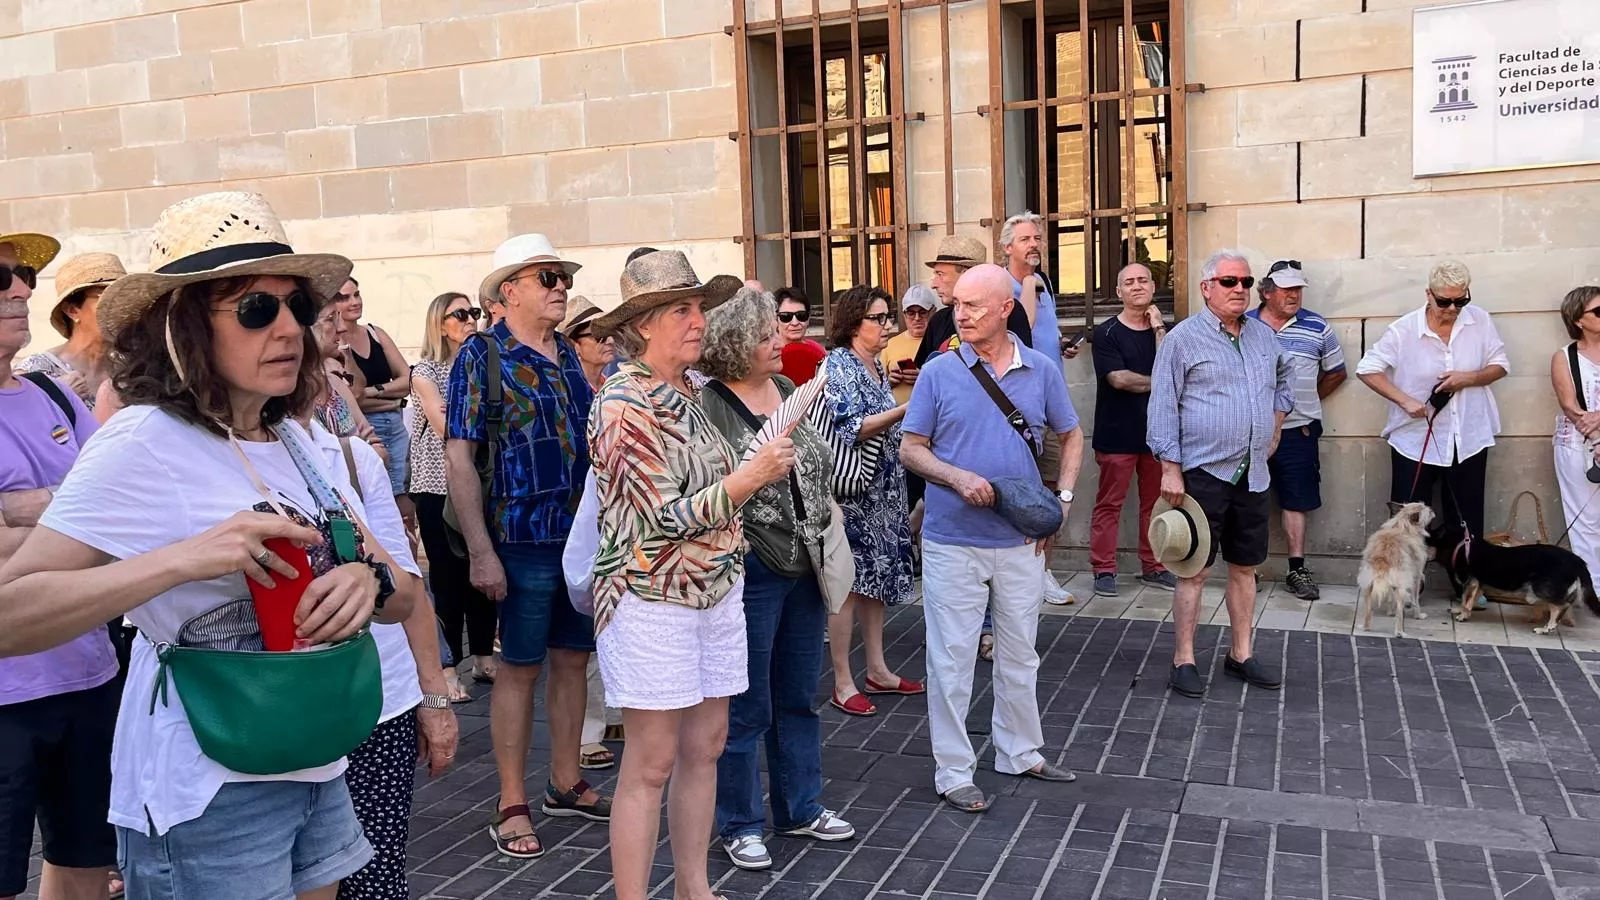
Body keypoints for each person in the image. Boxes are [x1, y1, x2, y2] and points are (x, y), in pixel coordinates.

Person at [0, 191, 415, 897]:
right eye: (257, 309)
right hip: (208, 789)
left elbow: (403, 594)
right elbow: (11, 613)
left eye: (298, 307)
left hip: (315, 757)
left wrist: (367, 583)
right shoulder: (145, 442)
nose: (288, 328)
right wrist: (181, 561)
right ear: (185, 324)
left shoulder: (296, 439)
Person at [586, 251, 793, 900]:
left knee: (706, 743)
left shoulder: (693, 392)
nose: (698, 319)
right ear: (644, 324)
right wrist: (749, 478)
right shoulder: (622, 403)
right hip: (651, 597)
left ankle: (693, 888)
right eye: (683, 308)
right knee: (650, 761)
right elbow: (657, 518)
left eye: (700, 306)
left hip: (713, 591)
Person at [901, 263, 1084, 813]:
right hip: (951, 539)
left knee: (1019, 653)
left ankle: (1020, 751)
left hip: (1021, 540)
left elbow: (1072, 436)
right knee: (952, 659)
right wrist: (957, 478)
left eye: (974, 305)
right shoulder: (938, 372)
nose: (961, 313)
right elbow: (911, 448)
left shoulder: (1042, 370)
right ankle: (954, 771)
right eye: (957, 304)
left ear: (1007, 308)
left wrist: (1062, 503)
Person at [447, 233, 606, 859]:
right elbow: (459, 461)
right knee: (518, 668)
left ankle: (564, 781)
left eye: (562, 276)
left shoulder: (568, 354)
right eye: (547, 276)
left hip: (577, 537)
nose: (560, 285)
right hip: (518, 538)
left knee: (571, 659)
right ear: (507, 290)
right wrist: (482, 552)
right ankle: (510, 800)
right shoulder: (480, 355)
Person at [296, 302, 458, 900]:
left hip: (377, 703)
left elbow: (407, 588)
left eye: (335, 364)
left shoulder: (350, 459)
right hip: (286, 712)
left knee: (374, 879)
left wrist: (433, 698)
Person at [699, 288, 855, 870]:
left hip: (804, 563)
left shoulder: (789, 390)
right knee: (744, 703)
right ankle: (740, 822)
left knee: (797, 694)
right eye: (767, 333)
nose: (779, 340)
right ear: (737, 342)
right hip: (751, 567)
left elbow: (815, 462)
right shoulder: (706, 405)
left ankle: (800, 805)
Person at [0, 231, 122, 900]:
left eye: (21, 277)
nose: (22, 290)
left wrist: (26, 510)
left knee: (84, 867)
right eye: (3, 278)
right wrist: (72, 511)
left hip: (86, 671)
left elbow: (120, 509)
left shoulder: (52, 394)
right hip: (6, 696)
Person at [1149, 250, 1292, 699]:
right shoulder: (1183, 339)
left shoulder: (1264, 337)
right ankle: (1184, 659)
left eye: (1246, 282)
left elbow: (1285, 384)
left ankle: (1241, 654)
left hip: (1253, 472)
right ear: (1206, 287)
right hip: (1203, 472)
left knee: (1246, 568)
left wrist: (1276, 423)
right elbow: (1162, 405)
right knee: (1192, 570)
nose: (1239, 290)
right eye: (1229, 281)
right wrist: (1170, 467)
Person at [1356, 259, 1507, 551]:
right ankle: (1407, 587)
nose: (1452, 309)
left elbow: (1500, 365)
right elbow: (1367, 369)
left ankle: (1466, 585)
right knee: (1406, 521)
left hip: (1468, 437)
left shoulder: (1480, 320)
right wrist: (1405, 400)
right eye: (1444, 302)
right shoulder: (1403, 330)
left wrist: (1469, 378)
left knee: (1467, 521)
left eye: (1460, 301)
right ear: (1429, 294)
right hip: (1414, 439)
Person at [821, 286, 921, 717]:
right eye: (877, 318)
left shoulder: (876, 366)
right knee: (844, 587)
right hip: (852, 495)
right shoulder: (839, 364)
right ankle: (843, 681)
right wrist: (907, 409)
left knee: (874, 583)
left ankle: (878, 669)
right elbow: (852, 428)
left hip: (882, 492)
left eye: (887, 316)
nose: (887, 326)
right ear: (852, 323)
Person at [410, 292, 495, 700]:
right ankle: (446, 668)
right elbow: (447, 425)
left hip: (478, 482)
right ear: (438, 323)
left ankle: (482, 654)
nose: (470, 320)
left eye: (473, 313)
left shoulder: (481, 365)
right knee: (446, 577)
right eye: (460, 314)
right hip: (435, 485)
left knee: (483, 569)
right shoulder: (425, 370)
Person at [1247, 260, 1347, 601]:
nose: (1293, 295)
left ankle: (1297, 569)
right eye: (1286, 289)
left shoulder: (1316, 326)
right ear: (1266, 292)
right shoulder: (1242, 325)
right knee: (1249, 499)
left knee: (1296, 500)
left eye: (1297, 289)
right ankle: (1248, 568)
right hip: (1250, 430)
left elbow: (1336, 372)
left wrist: (1302, 402)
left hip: (1298, 431)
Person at [999, 213, 1080, 607]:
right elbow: (1021, 330)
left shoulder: (1043, 282)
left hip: (1050, 402)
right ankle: (1016, 578)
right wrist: (1028, 285)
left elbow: (1042, 335)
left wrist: (1061, 344)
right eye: (1026, 239)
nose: (1034, 244)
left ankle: (1043, 573)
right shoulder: (1007, 286)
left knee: (1049, 495)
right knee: (1019, 495)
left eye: (1038, 237)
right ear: (1007, 247)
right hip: (1018, 407)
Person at [557, 295, 622, 771]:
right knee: (588, 617)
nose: (606, 342)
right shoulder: (569, 384)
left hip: (612, 507)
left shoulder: (617, 383)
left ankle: (615, 711)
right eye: (595, 335)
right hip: (579, 508)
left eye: (609, 333)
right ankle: (588, 731)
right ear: (574, 343)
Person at [1088, 263, 1174, 597]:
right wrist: (1162, 383)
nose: (1136, 286)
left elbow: (1174, 367)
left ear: (1154, 287)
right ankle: (1104, 569)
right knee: (1110, 503)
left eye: (1143, 280)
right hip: (1116, 434)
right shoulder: (1106, 333)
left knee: (1156, 504)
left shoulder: (1167, 331)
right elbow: (1119, 379)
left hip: (1158, 436)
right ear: (1119, 291)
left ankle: (1153, 566)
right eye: (1129, 282)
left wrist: (1158, 329)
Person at [17, 251, 124, 409]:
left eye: (123, 298)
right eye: (106, 298)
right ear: (73, 310)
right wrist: (56, 396)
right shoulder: (36, 372)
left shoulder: (133, 367)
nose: (120, 308)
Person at [340, 277, 413, 498]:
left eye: (357, 294)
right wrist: (391, 399)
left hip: (397, 427)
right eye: (345, 297)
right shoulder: (332, 342)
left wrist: (373, 392)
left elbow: (408, 379)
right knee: (376, 499)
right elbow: (353, 397)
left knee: (403, 501)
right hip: (365, 432)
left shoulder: (374, 333)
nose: (355, 301)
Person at [914, 234, 1031, 365]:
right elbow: (923, 367)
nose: (933, 284)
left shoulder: (1006, 311)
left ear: (965, 274)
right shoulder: (938, 320)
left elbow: (1022, 370)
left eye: (940, 274)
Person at [1552, 286, 1600, 587]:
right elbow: (1571, 406)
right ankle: (1594, 589)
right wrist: (1597, 439)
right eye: (1598, 311)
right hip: (1577, 445)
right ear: (1579, 320)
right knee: (1586, 523)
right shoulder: (1565, 357)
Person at [776, 286, 826, 385]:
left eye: (801, 315)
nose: (795, 322)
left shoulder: (817, 350)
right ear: (775, 319)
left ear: (808, 318)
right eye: (786, 317)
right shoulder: (768, 354)